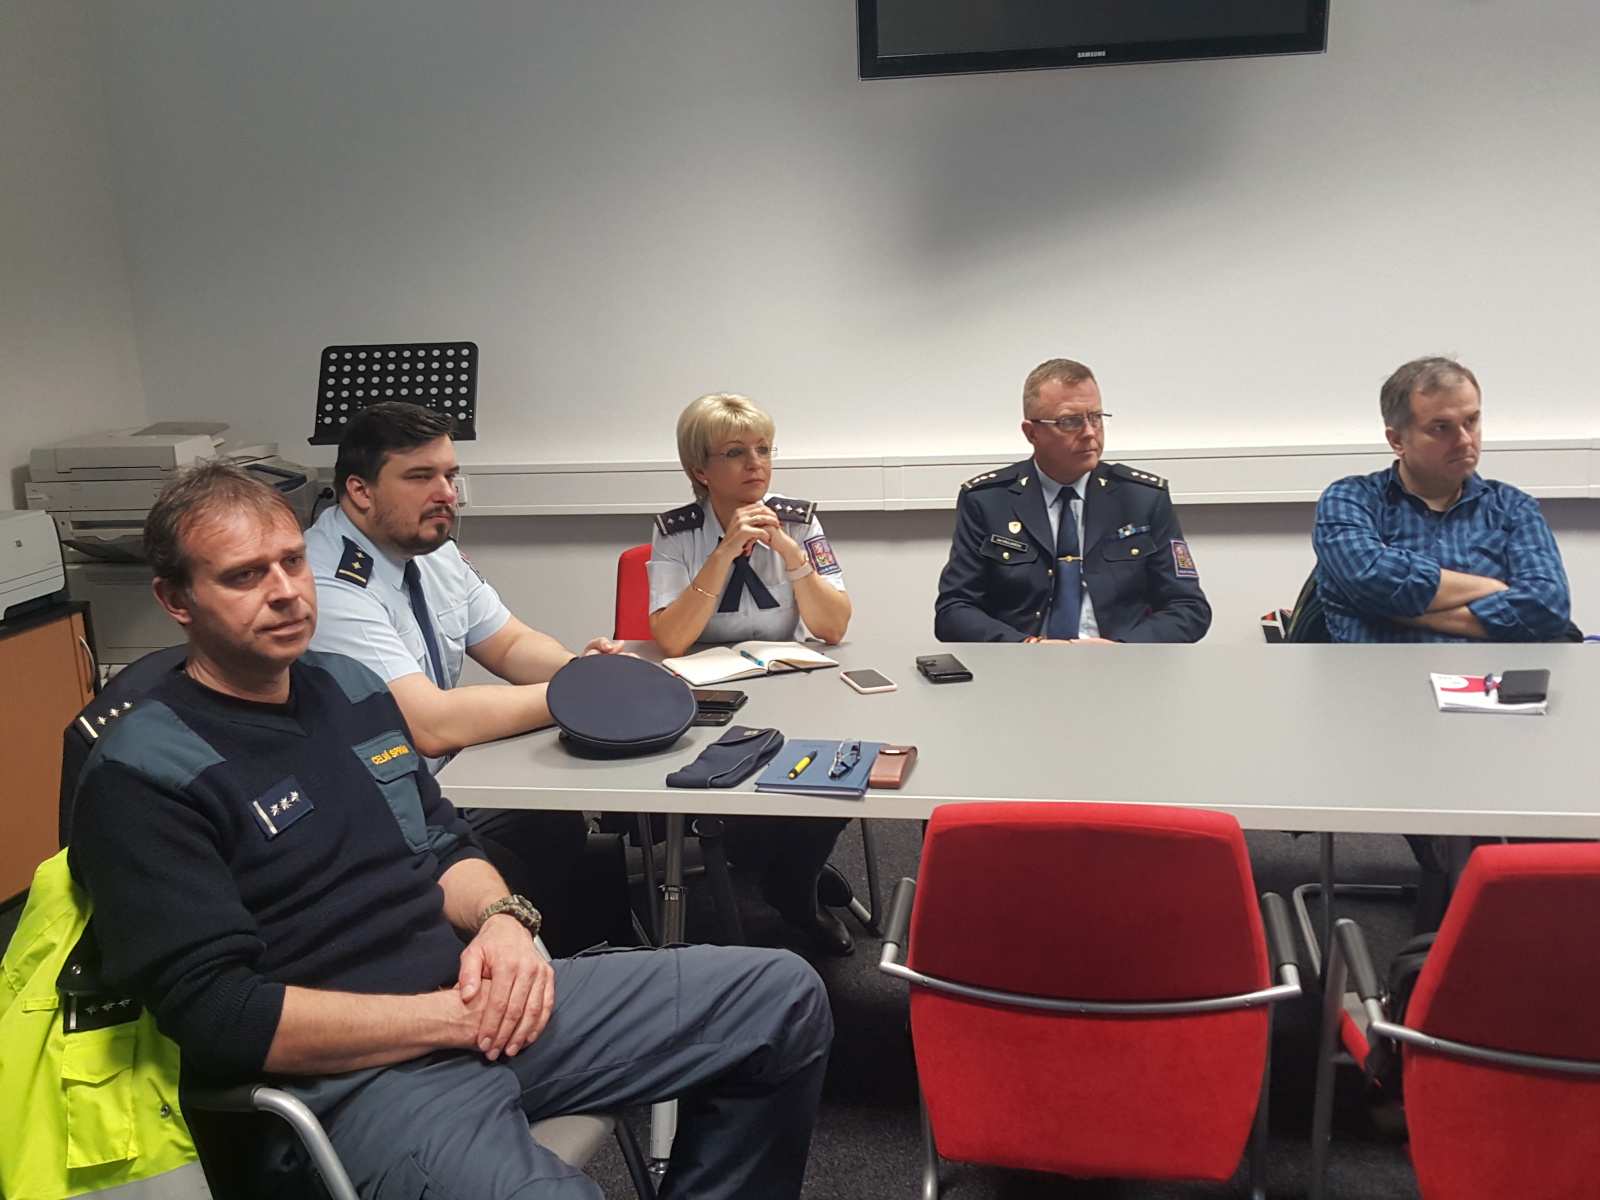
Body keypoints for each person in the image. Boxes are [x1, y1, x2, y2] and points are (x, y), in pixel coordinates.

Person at [68, 461, 832, 1200]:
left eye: (293, 562)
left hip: (476, 1002)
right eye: (244, 576)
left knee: (782, 999)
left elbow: (440, 842)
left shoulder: (348, 688)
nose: (286, 592)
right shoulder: (144, 772)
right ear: (176, 599)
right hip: (358, 1079)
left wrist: (503, 921)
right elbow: (222, 1017)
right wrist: (448, 1020)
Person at [305, 403, 628, 953]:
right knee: (496, 865)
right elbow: (429, 724)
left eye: (450, 475)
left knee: (553, 825)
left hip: (437, 786)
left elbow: (510, 644)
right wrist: (576, 693)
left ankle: (561, 962)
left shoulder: (432, 550)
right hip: (367, 810)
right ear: (360, 491)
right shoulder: (328, 584)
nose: (446, 494)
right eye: (420, 477)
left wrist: (583, 669)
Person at [647, 393, 856, 956]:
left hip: (792, 686)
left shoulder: (800, 521)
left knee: (837, 768)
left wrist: (789, 552)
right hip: (710, 696)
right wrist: (723, 553)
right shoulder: (677, 531)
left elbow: (833, 626)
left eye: (764, 449)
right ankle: (786, 871)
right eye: (736, 452)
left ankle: (794, 883)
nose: (756, 464)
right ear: (701, 470)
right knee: (738, 796)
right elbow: (672, 638)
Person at [935, 358, 1211, 643]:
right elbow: (954, 611)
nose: (1090, 432)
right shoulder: (988, 500)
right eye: (1070, 422)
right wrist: (1026, 646)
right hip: (1022, 661)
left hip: (1120, 662)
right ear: (1032, 433)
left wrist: (1123, 649)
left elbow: (1188, 608)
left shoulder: (1142, 498)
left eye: (1096, 417)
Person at [1313, 356, 1573, 643]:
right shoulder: (1350, 500)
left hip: (1490, 671)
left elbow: (1548, 608)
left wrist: (1404, 611)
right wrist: (1491, 588)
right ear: (1397, 441)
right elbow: (1372, 580)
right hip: (1379, 670)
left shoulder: (1512, 507)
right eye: (1442, 427)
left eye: (1471, 421)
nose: (1465, 440)